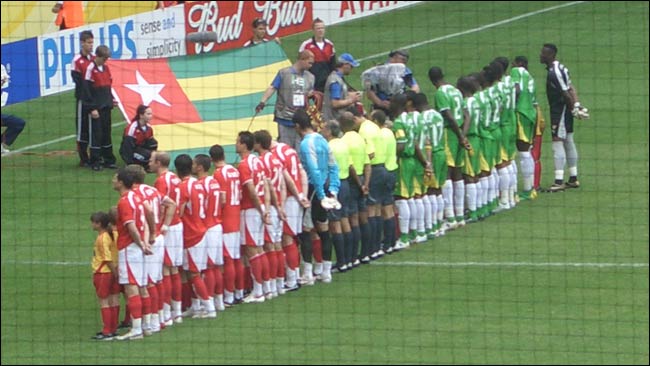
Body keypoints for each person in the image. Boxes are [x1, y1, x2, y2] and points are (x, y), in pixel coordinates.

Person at [294, 108, 340, 283]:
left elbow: (313, 170)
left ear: (298, 126)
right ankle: (326, 272)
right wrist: (333, 190)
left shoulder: (306, 144)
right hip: (326, 187)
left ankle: (307, 273)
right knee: (324, 230)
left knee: (306, 231)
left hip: (313, 189)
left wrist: (320, 194)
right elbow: (333, 166)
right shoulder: (322, 139)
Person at [112, 168, 154, 341]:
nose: (113, 181)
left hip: (130, 248)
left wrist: (140, 244)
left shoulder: (124, 201)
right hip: (138, 248)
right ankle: (147, 326)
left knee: (132, 288)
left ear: (121, 182)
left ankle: (136, 329)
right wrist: (146, 240)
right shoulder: (137, 198)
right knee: (142, 287)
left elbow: (131, 226)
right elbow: (146, 218)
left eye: (115, 178)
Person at [540, 43, 588, 192]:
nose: (540, 55)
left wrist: (573, 107)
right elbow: (571, 87)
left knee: (557, 142)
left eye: (543, 53)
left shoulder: (554, 72)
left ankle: (558, 181)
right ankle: (573, 178)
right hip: (564, 109)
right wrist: (577, 105)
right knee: (568, 140)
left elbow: (566, 93)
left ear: (551, 55)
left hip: (559, 111)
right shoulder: (561, 68)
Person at [174, 154, 216, 318]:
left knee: (194, 273)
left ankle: (209, 307)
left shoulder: (183, 187)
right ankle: (195, 305)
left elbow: (180, 211)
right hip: (202, 228)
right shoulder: (197, 184)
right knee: (193, 270)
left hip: (192, 234)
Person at [429, 66, 471, 229]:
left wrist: (459, 136)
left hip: (450, 135)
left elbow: (448, 115)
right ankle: (460, 216)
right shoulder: (456, 90)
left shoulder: (440, 93)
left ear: (432, 81)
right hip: (460, 133)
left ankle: (451, 218)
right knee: (458, 173)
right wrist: (464, 134)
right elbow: (466, 115)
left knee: (447, 174)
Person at [236, 131, 272, 302]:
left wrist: (259, 208)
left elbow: (250, 190)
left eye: (237, 142)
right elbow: (265, 185)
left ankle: (258, 291)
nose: (235, 144)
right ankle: (266, 288)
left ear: (244, 144)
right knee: (259, 248)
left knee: (252, 250)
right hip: (259, 209)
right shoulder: (258, 162)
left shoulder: (244, 165)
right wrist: (264, 208)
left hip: (250, 210)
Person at [256, 50, 315, 153]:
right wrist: (262, 102)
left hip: (301, 120)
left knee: (300, 150)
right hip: (284, 117)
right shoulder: (284, 73)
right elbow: (272, 87)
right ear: (302, 59)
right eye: (309, 63)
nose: (311, 66)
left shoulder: (311, 77)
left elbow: (311, 94)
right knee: (285, 150)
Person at [149, 151, 184, 324]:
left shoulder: (161, 181)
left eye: (151, 160)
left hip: (168, 228)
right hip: (178, 224)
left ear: (158, 163)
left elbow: (164, 207)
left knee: (165, 270)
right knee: (175, 269)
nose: (149, 163)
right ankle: (176, 312)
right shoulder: (176, 178)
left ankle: (167, 313)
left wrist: (162, 226)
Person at [209, 144, 244, 305]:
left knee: (229, 259)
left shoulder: (218, 174)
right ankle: (239, 291)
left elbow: (221, 200)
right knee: (236, 258)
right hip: (236, 216)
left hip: (226, 220)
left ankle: (229, 296)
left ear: (211, 159)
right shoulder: (233, 170)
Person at [321, 120, 352, 272]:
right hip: (345, 184)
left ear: (329, 131)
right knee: (345, 219)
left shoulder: (328, 147)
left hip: (334, 186)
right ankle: (349, 258)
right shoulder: (343, 144)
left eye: (324, 128)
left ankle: (342, 261)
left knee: (335, 223)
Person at [84, 45, 117, 171]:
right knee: (96, 135)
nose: (105, 61)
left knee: (106, 134)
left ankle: (108, 159)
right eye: (104, 58)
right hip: (96, 109)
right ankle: (95, 161)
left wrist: (111, 100)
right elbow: (87, 91)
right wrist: (92, 108)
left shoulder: (106, 68)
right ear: (97, 56)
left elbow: (108, 86)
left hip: (106, 107)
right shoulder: (90, 69)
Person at [510, 56, 539, 199]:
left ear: (520, 64)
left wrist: (510, 106)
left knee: (518, 152)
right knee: (526, 150)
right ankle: (530, 188)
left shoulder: (517, 71)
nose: (512, 67)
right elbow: (534, 102)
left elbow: (516, 90)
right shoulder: (532, 79)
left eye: (513, 63)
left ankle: (524, 191)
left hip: (520, 113)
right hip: (530, 114)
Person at [90, 211, 120, 340]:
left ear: (99, 224)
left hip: (103, 272)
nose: (91, 224)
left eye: (93, 222)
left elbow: (107, 258)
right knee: (114, 300)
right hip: (113, 270)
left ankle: (107, 331)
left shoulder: (102, 238)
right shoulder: (114, 234)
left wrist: (114, 272)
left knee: (104, 302)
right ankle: (113, 329)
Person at [71, 30, 94, 166]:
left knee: (93, 128)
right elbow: (77, 81)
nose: (91, 45)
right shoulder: (77, 61)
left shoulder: (93, 58)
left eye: (92, 42)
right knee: (82, 128)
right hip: (82, 99)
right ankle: (83, 158)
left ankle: (94, 155)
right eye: (89, 43)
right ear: (82, 43)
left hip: (93, 98)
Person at [322, 53, 362, 122]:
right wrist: (352, 100)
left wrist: (349, 95)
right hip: (333, 121)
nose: (351, 69)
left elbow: (339, 94)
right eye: (351, 66)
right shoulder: (335, 81)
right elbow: (335, 103)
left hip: (335, 119)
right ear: (345, 65)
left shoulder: (338, 78)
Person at [299, 18, 336, 92]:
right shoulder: (306, 45)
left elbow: (333, 65)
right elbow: (300, 64)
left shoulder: (330, 45)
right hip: (312, 83)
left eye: (322, 28)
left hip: (327, 83)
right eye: (318, 28)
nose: (320, 30)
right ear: (313, 30)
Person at [120, 105, 158, 169]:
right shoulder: (132, 128)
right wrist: (129, 162)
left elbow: (150, 142)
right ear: (141, 115)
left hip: (140, 148)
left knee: (153, 143)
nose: (151, 116)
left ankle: (146, 163)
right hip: (132, 149)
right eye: (148, 114)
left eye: (151, 114)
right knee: (146, 156)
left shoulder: (149, 127)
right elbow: (127, 147)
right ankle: (133, 164)